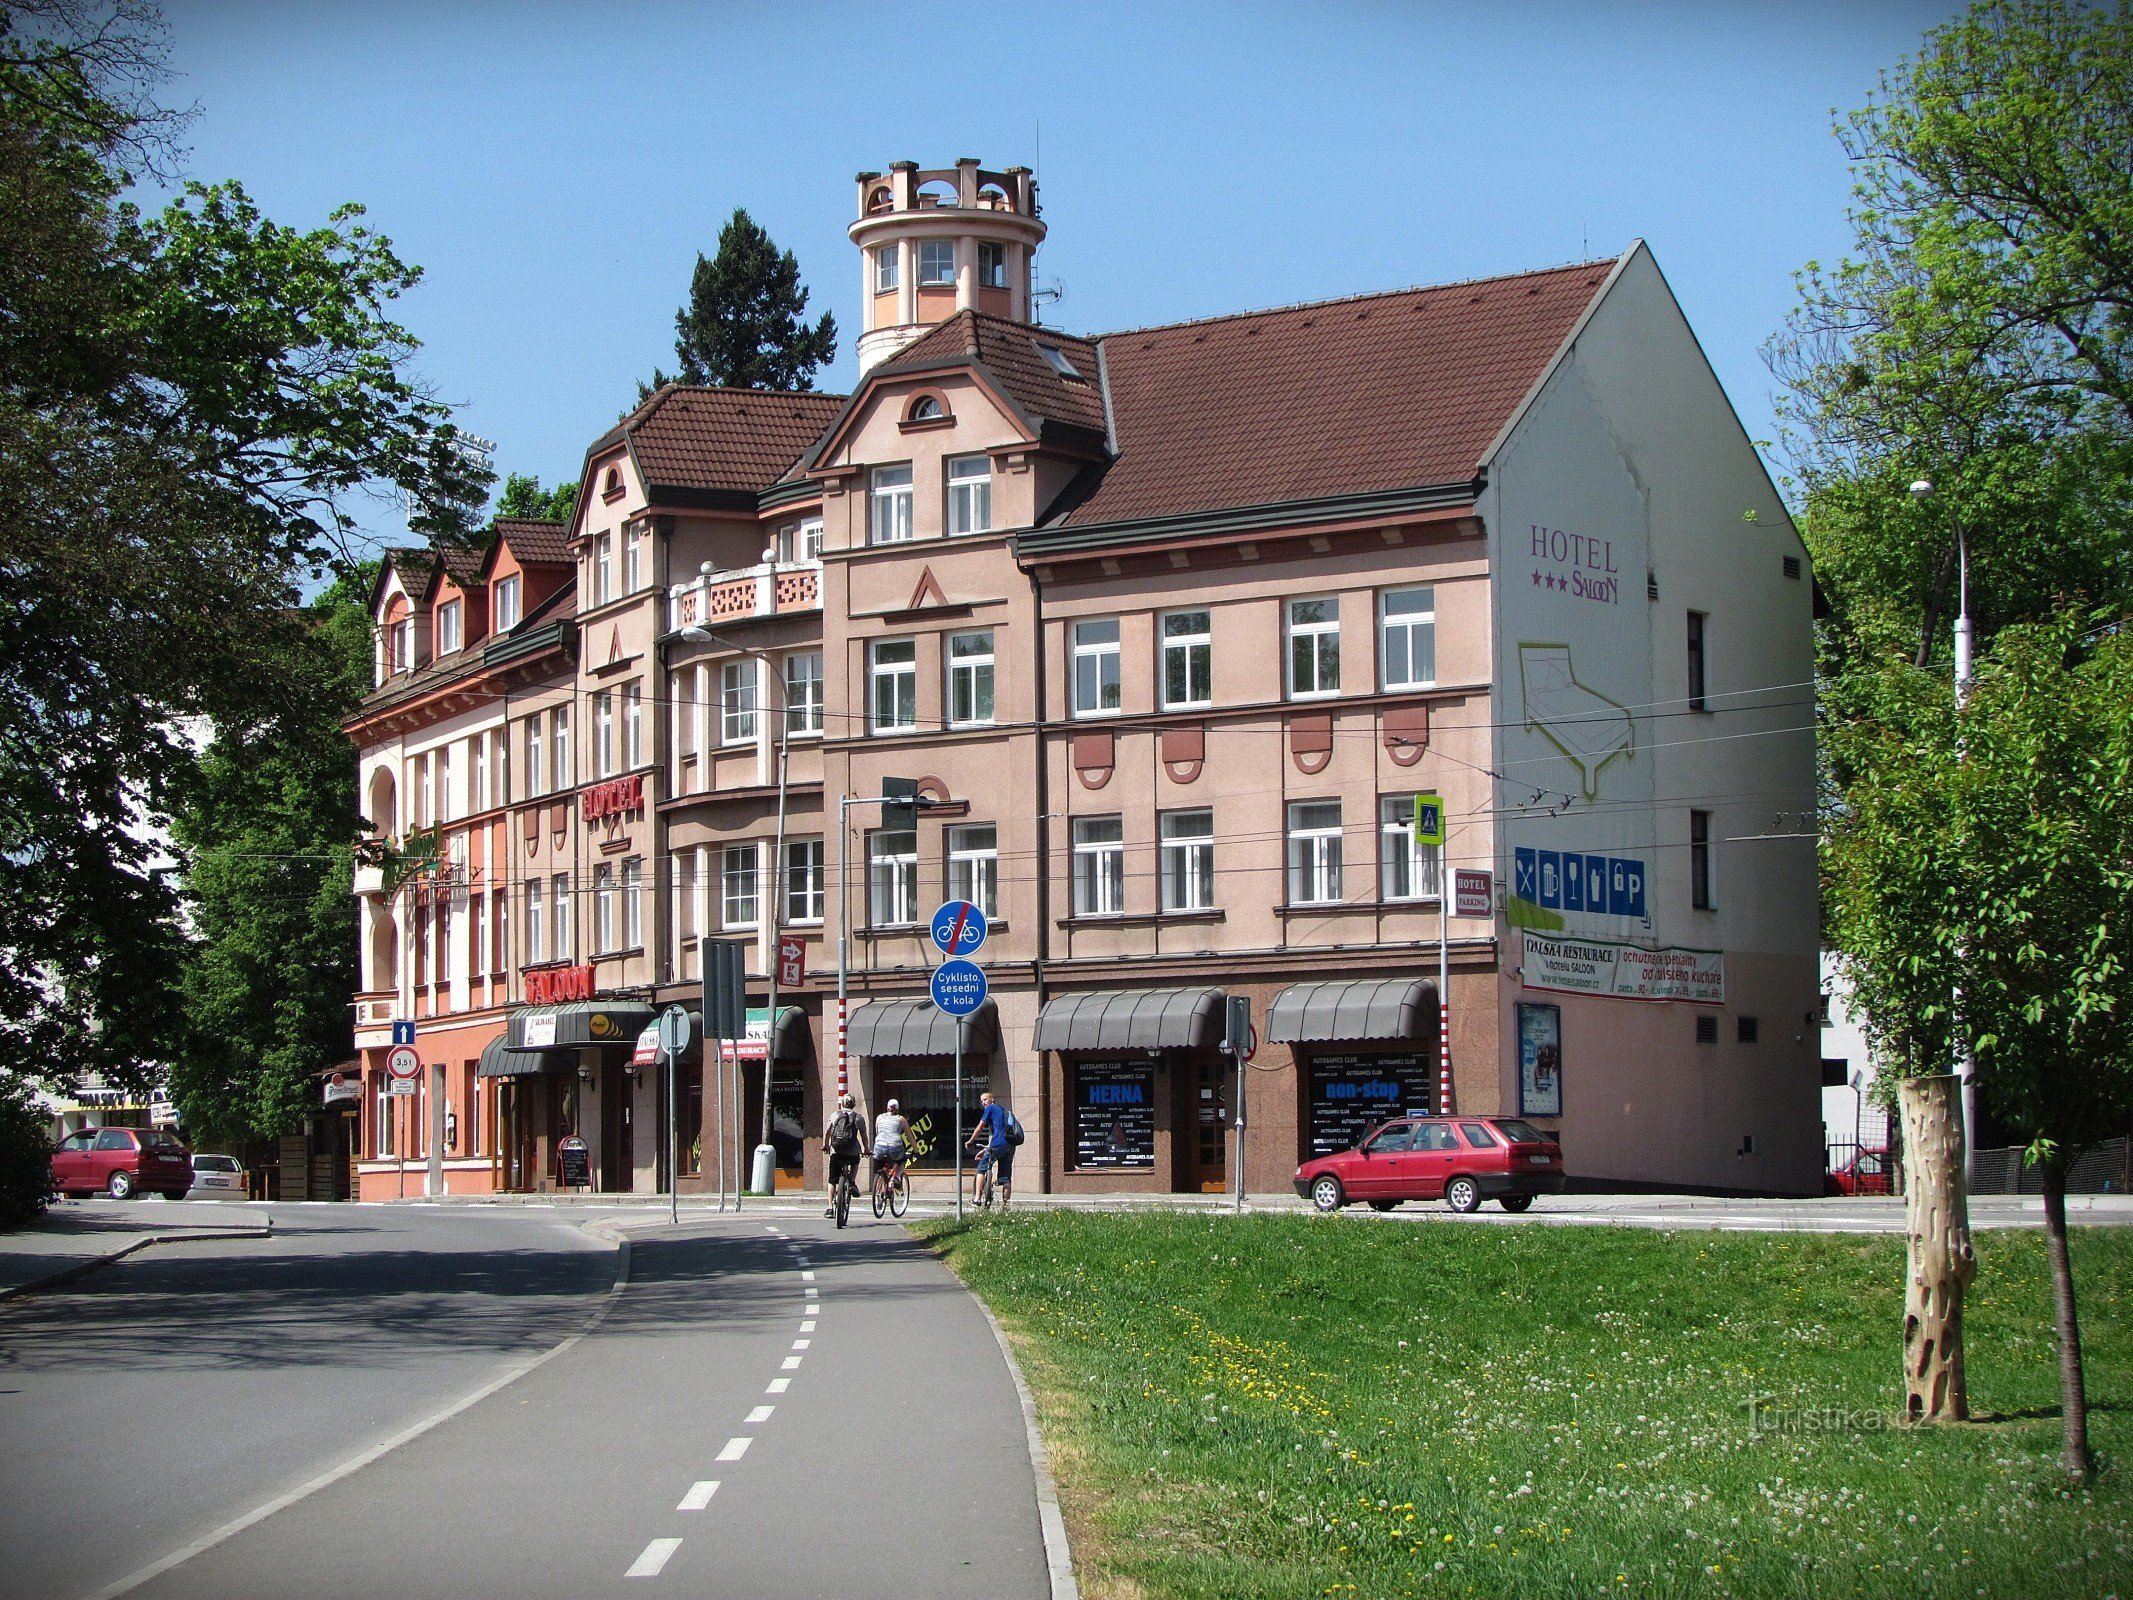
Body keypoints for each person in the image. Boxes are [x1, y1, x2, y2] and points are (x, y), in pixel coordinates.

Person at [968, 1090, 1015, 1209]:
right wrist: (985, 1150)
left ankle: (977, 1199)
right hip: (1010, 1145)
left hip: (998, 1144)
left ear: (992, 1099)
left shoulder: (991, 1108)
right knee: (1006, 1178)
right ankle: (1006, 1206)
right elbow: (997, 1136)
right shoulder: (1004, 1112)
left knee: (981, 1169)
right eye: (982, 1101)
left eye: (985, 1099)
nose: (983, 1102)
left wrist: (971, 1141)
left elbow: (980, 1127)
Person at [822, 1092, 866, 1218]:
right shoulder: (858, 1118)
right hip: (852, 1152)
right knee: (856, 1162)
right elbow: (864, 1136)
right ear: (854, 1105)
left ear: (842, 1103)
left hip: (836, 1151)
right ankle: (851, 1182)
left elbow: (827, 1132)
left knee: (832, 1180)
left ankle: (830, 1208)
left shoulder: (835, 1115)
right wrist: (866, 1149)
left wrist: (825, 1146)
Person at [872, 1097, 910, 1191]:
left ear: (887, 1108)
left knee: (879, 1165)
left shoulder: (879, 1117)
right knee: (901, 1160)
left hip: (880, 1145)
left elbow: (878, 1132)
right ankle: (896, 1178)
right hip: (895, 1146)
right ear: (897, 1109)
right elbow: (910, 1136)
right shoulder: (901, 1119)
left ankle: (880, 1180)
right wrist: (916, 1150)